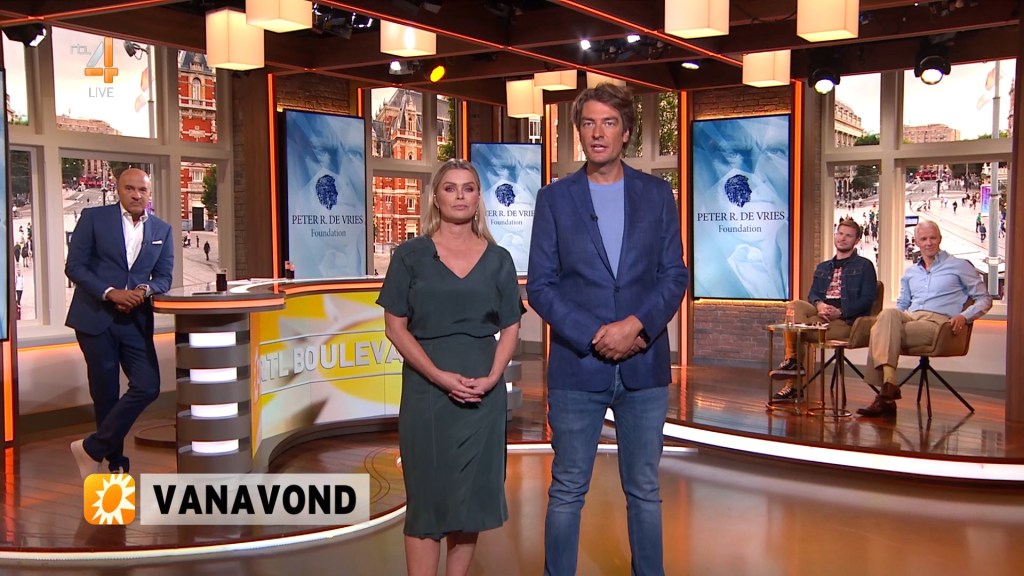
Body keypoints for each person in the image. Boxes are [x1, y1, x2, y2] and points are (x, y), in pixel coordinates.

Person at [527, 83, 688, 576]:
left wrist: (635, 325)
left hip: (644, 364)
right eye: (589, 123)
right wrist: (597, 334)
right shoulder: (554, 199)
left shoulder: (656, 195)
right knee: (567, 489)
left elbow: (674, 275)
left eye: (609, 123)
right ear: (579, 133)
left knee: (645, 490)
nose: (598, 133)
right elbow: (541, 286)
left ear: (626, 132)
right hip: (578, 366)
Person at [377, 159, 522, 576]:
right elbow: (394, 327)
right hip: (427, 393)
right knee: (427, 502)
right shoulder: (410, 256)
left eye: (469, 188)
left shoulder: (499, 260)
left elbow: (511, 327)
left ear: (478, 199)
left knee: (469, 501)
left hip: (482, 396)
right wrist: (439, 376)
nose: (460, 196)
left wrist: (492, 379)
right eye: (450, 188)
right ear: (436, 198)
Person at [66, 168, 174, 477]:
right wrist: (110, 292)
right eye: (130, 188)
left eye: (142, 190)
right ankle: (114, 464)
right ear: (118, 189)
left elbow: (164, 277)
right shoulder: (93, 218)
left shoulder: (162, 230)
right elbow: (75, 266)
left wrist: (143, 290)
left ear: (149, 194)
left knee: (148, 386)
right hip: (95, 318)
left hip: (134, 320)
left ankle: (91, 448)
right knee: (105, 393)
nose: (137, 194)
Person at [857, 220, 992, 417]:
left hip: (938, 323)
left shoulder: (959, 266)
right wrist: (890, 322)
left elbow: (984, 299)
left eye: (933, 238)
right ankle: (888, 386)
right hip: (911, 317)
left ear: (940, 239)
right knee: (886, 316)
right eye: (924, 239)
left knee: (879, 331)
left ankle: (886, 392)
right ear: (916, 242)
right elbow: (903, 303)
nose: (928, 243)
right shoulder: (911, 272)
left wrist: (964, 317)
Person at [773, 219, 877, 400]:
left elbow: (867, 300)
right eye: (840, 234)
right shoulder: (823, 267)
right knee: (794, 306)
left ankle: (793, 382)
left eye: (848, 236)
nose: (843, 238)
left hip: (846, 320)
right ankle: (794, 361)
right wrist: (819, 305)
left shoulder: (864, 266)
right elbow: (813, 294)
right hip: (821, 314)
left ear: (857, 240)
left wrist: (841, 312)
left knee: (799, 331)